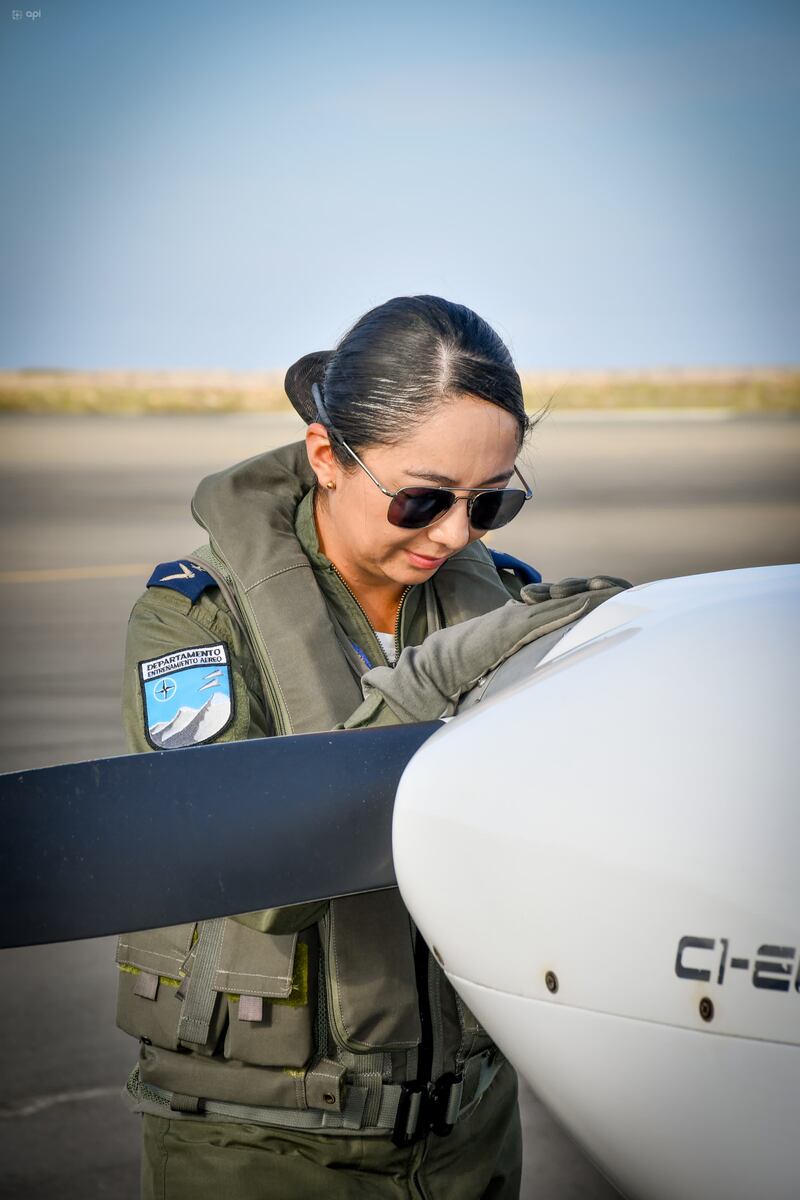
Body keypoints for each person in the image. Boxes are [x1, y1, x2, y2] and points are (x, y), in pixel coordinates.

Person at [117, 294, 629, 1199]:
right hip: (259, 1147)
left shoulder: (501, 602)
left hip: (467, 1130)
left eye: (492, 501)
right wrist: (427, 685)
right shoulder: (194, 621)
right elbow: (238, 874)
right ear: (327, 457)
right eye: (422, 499)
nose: (456, 535)